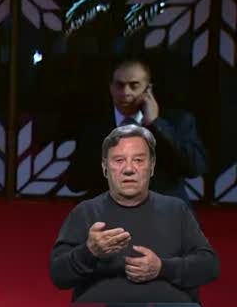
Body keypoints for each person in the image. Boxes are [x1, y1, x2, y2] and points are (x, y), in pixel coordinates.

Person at [50, 125, 219, 307]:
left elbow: (209, 265)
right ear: (105, 167)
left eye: (138, 160)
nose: (129, 169)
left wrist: (162, 267)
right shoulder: (87, 213)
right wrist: (89, 252)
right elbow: (59, 274)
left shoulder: (176, 210)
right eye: (119, 160)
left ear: (151, 167)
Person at [66, 58, 207, 203]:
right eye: (119, 85)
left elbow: (194, 168)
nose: (125, 92)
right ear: (111, 88)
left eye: (134, 86)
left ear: (148, 89)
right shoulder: (94, 127)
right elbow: (75, 184)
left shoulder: (178, 121)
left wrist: (156, 124)